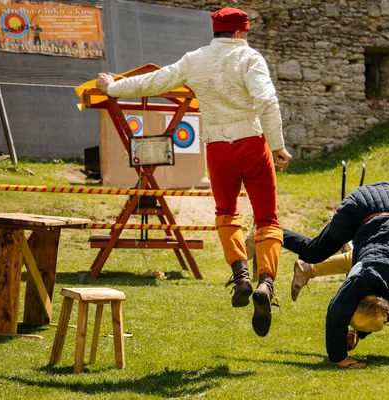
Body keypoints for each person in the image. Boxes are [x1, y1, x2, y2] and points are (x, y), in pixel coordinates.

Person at [95, 7, 292, 337]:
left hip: (217, 147)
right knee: (267, 219)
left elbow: (154, 81)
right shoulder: (250, 59)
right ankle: (266, 284)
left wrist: (113, 86)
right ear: (241, 32)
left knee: (226, 212)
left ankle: (241, 275)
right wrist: (277, 145)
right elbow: (267, 102)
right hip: (251, 143)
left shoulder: (194, 59)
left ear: (216, 31)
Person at [283, 182, 389, 368]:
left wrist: (357, 333)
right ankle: (268, 230)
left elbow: (367, 314)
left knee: (363, 253)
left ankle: (307, 269)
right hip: (364, 206)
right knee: (314, 253)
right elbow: (336, 312)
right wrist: (339, 358)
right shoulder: (364, 277)